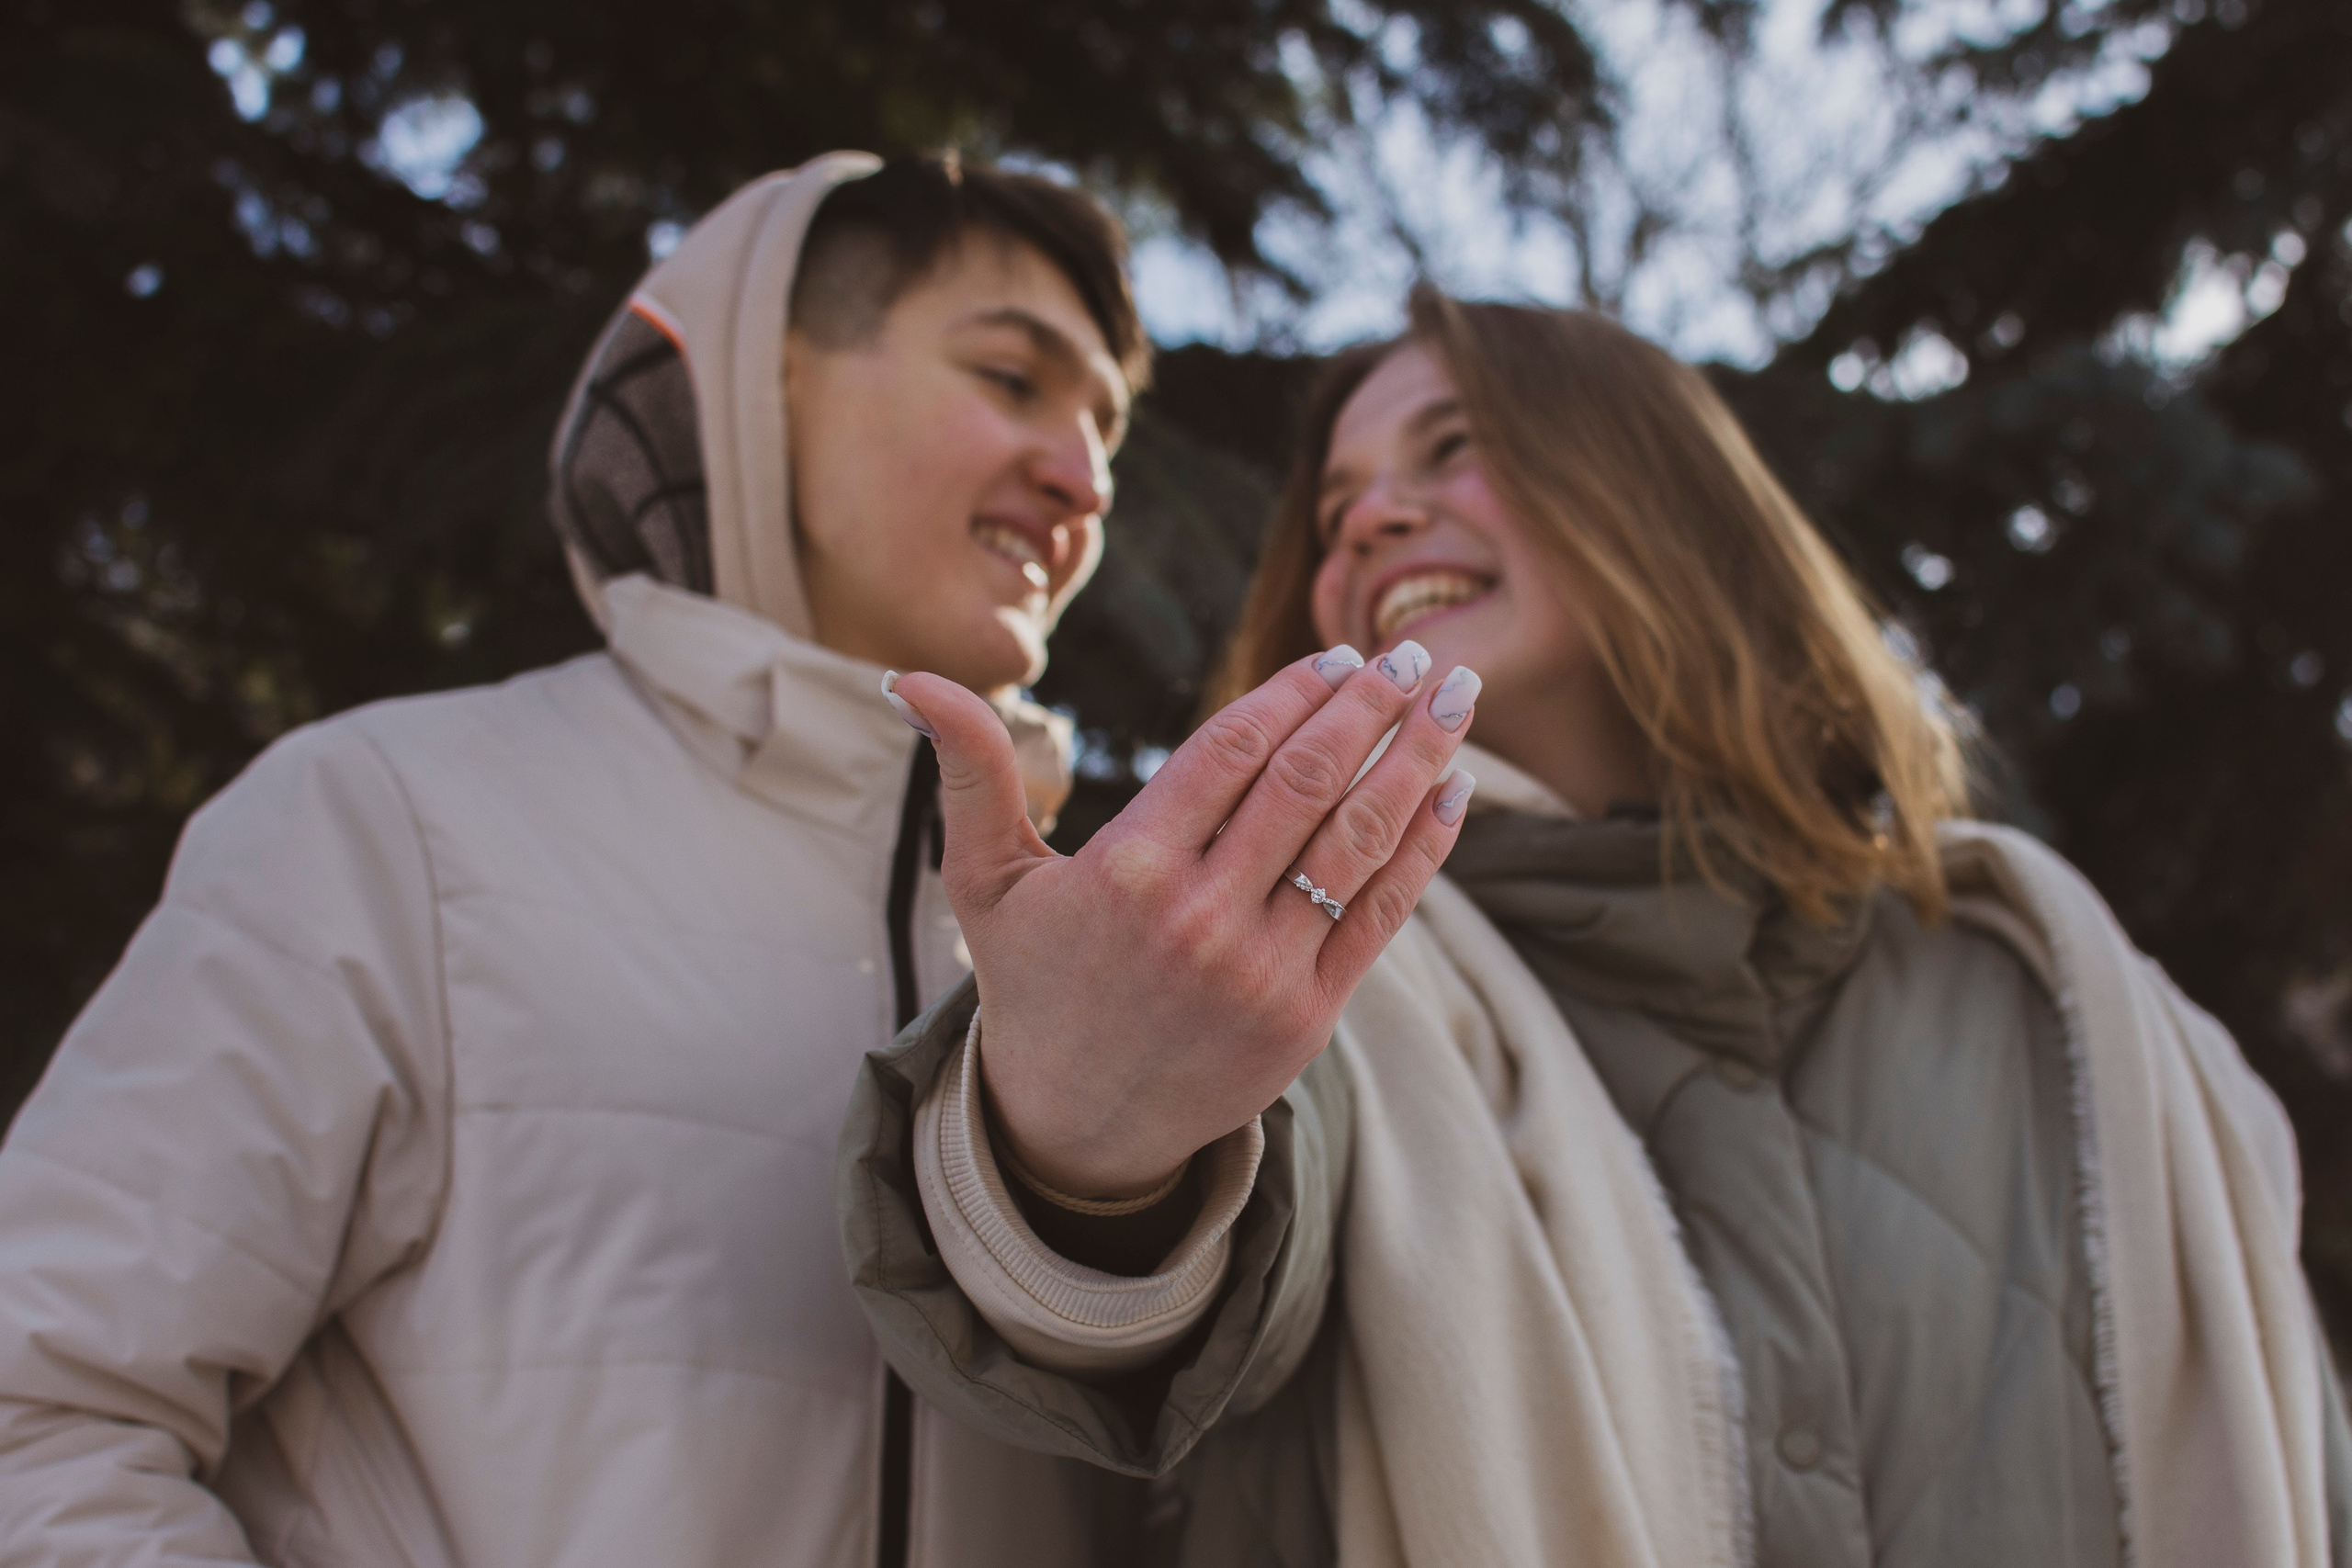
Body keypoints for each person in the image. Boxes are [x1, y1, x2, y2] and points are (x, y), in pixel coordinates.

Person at [849, 290, 2352, 1567]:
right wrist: (1076, 1149)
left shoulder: (2047, 994)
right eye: (1334, 507)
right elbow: (1164, 1300)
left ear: (1658, 495)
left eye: (1458, 447)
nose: (1372, 514)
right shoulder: (1302, 981)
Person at [0, 150, 1178, 1566]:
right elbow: (41, 1420)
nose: (1082, 478)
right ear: (767, 382)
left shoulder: (1099, 960)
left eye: (1106, 429)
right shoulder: (388, 821)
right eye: (1011, 379)